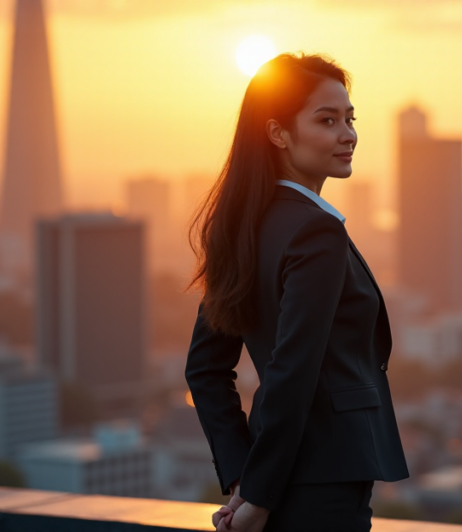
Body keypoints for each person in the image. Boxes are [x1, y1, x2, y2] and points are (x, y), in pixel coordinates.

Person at [184, 53, 409, 532]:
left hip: (278, 474)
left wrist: (245, 476)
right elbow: (293, 372)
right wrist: (258, 496)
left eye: (350, 119)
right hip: (324, 478)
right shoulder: (316, 231)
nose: (347, 134)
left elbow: (204, 368)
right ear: (278, 133)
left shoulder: (243, 227)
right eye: (327, 120)